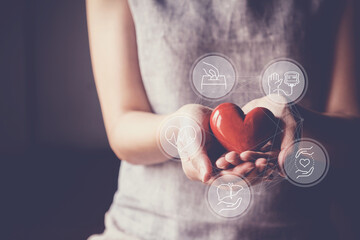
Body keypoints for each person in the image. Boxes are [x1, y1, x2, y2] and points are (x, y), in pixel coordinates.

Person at [86, 0, 359, 239]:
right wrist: (179, 130)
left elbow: (352, 139)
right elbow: (121, 128)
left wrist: (299, 127)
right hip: (146, 230)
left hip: (298, 230)